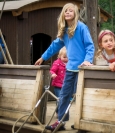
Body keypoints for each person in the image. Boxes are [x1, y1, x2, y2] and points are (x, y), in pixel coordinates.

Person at [34, 3, 95, 131]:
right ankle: (61, 121)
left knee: (82, 96)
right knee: (64, 95)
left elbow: (90, 46)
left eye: (71, 11)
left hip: (83, 68)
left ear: (75, 14)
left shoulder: (82, 27)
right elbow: (54, 46)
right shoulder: (64, 31)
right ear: (63, 14)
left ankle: (82, 121)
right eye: (65, 11)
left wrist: (88, 60)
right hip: (70, 68)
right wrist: (43, 57)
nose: (68, 12)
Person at [50, 47, 68, 116]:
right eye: (64, 57)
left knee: (64, 99)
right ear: (60, 56)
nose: (66, 59)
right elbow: (52, 70)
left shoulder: (69, 64)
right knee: (60, 99)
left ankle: (62, 112)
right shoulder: (57, 63)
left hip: (65, 85)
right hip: (58, 85)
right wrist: (53, 74)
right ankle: (58, 112)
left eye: (68, 57)